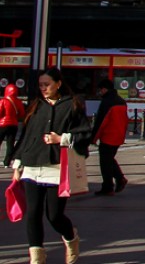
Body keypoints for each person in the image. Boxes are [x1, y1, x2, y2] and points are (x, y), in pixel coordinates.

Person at [11, 68, 91, 264]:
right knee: (33, 213)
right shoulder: (36, 106)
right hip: (32, 165)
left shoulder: (72, 105)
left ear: (58, 84)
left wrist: (62, 138)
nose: (44, 88)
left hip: (57, 168)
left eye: (47, 84)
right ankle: (37, 256)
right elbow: (26, 137)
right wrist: (18, 164)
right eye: (40, 85)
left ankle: (71, 238)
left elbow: (85, 135)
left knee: (54, 215)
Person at [91, 78, 128, 196]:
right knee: (109, 160)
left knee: (105, 162)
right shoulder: (121, 101)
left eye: (100, 90)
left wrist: (93, 137)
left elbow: (101, 122)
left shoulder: (107, 102)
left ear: (104, 89)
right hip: (118, 135)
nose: (100, 92)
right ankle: (118, 179)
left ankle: (109, 186)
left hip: (108, 136)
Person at [0, 82, 25, 167]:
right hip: (14, 124)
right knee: (10, 144)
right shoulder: (19, 102)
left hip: (2, 124)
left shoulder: (3, 101)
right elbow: (21, 114)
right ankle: (7, 162)